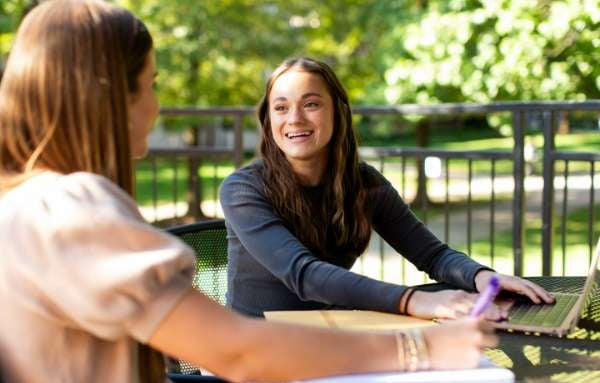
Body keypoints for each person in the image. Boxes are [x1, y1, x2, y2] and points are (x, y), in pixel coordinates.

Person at [0, 2, 497, 383]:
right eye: (150, 85)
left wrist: (478, 279)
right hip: (268, 365)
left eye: (311, 103)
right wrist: (420, 347)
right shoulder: (68, 212)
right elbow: (236, 352)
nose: (157, 105)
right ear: (107, 98)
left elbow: (144, 382)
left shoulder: (37, 205)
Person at [220, 56, 555, 321]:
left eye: (311, 104)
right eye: (281, 107)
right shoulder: (242, 190)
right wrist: (413, 300)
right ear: (269, 121)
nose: (294, 118)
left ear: (338, 111)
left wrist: (484, 278)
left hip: (332, 331)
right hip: (257, 350)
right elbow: (304, 275)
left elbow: (432, 254)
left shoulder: (364, 182)